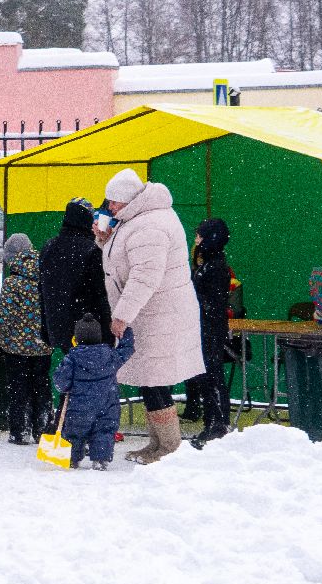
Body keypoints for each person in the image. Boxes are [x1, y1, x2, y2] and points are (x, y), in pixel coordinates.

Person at [99, 169, 205, 464]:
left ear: (127, 200)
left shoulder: (150, 225)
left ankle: (169, 447)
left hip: (160, 316)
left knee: (156, 381)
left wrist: (120, 316)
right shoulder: (136, 219)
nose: (109, 207)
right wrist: (105, 241)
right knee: (150, 380)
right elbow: (122, 262)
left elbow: (145, 277)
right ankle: (156, 443)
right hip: (149, 315)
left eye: (113, 202)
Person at [0, 233, 51, 445]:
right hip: (43, 344)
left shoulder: (13, 282)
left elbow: (5, 315)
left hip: (17, 347)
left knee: (19, 388)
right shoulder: (47, 273)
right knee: (41, 386)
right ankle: (42, 429)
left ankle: (20, 431)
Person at [53, 315, 137, 469]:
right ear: (99, 337)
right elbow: (127, 349)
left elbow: (61, 382)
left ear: (76, 338)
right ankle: (100, 460)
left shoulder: (72, 357)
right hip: (107, 406)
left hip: (79, 408)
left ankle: (72, 458)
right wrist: (127, 330)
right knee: (104, 431)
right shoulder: (110, 355)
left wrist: (65, 387)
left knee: (74, 433)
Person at [40, 198, 112, 353]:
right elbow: (101, 295)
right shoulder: (91, 250)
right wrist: (109, 333)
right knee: (91, 374)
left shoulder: (49, 247)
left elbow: (42, 291)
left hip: (59, 328)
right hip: (89, 330)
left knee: (73, 371)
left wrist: (45, 328)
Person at [190, 218, 233, 448]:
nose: (195, 240)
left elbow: (212, 304)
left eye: (199, 236)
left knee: (212, 377)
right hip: (205, 329)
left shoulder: (215, 267)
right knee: (206, 377)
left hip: (210, 330)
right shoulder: (207, 264)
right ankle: (212, 422)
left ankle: (218, 424)